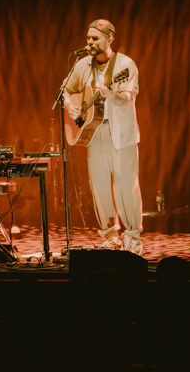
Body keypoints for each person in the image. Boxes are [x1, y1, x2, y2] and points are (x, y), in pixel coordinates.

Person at [62, 19, 143, 255]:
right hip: (93, 132)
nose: (90, 42)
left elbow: (127, 97)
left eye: (95, 38)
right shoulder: (82, 65)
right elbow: (65, 91)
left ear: (109, 39)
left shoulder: (125, 65)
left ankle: (133, 237)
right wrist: (71, 107)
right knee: (99, 188)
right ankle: (110, 237)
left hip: (121, 133)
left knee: (126, 187)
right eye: (88, 38)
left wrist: (112, 96)